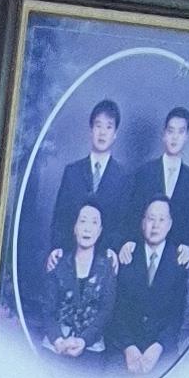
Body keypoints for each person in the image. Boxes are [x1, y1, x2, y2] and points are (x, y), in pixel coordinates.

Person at [45, 100, 139, 276]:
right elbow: (60, 217)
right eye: (98, 126)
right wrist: (57, 247)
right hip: (71, 259)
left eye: (109, 127)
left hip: (106, 263)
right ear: (91, 130)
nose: (102, 132)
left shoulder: (125, 177)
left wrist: (113, 249)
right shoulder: (72, 172)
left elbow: (124, 222)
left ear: (115, 134)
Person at [113, 194, 189, 378]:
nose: (155, 225)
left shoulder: (179, 260)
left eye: (162, 220)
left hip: (162, 350)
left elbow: (177, 315)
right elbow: (116, 309)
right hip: (124, 348)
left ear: (170, 224)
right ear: (142, 222)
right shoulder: (127, 255)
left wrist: (158, 347)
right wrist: (129, 347)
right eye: (151, 219)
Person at [46, 201, 120, 358]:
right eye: (83, 221)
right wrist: (58, 341)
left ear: (100, 231)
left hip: (91, 349)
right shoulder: (58, 262)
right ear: (74, 227)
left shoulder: (107, 268)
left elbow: (106, 312)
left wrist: (84, 341)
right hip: (55, 346)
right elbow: (47, 310)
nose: (87, 228)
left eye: (94, 222)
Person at [150, 108, 189, 269]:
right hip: (144, 253)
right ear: (164, 134)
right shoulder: (145, 173)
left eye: (180, 132)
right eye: (171, 131)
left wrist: (188, 246)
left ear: (186, 136)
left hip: (175, 257)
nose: (175, 137)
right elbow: (134, 213)